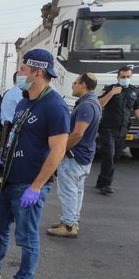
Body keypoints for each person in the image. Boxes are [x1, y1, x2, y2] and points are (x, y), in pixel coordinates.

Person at [0, 49, 70, 279]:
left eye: (23, 69)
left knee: (27, 237)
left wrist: (36, 187)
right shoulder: (24, 101)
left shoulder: (54, 106)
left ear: (38, 71)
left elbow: (57, 152)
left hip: (28, 184)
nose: (19, 73)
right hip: (8, 179)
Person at [47, 73, 101, 238]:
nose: (72, 86)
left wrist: (61, 150)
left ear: (83, 84)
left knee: (68, 191)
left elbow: (77, 134)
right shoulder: (94, 103)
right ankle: (71, 220)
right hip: (85, 155)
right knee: (77, 191)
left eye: (75, 83)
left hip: (75, 156)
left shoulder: (86, 106)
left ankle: (69, 226)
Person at [96, 66, 139, 195]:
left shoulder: (134, 92)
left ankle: (101, 180)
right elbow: (100, 104)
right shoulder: (110, 89)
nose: (125, 79)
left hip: (122, 130)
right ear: (118, 77)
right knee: (109, 155)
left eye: (128, 76)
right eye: (123, 77)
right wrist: (112, 93)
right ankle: (106, 184)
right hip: (108, 128)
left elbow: (138, 110)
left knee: (116, 156)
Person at [0, 72, 22, 145]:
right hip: (15, 132)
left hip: (5, 130)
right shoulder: (21, 93)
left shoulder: (7, 92)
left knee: (4, 154)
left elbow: (0, 111)